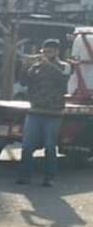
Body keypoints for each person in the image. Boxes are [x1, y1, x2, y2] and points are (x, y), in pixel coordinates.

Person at [17, 38, 76, 187]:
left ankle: (49, 177)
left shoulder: (65, 66)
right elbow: (24, 82)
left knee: (50, 146)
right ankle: (24, 176)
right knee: (27, 145)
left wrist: (47, 63)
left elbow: (62, 80)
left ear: (57, 52)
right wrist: (24, 67)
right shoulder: (36, 67)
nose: (45, 54)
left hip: (53, 113)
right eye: (44, 51)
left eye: (49, 51)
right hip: (35, 111)